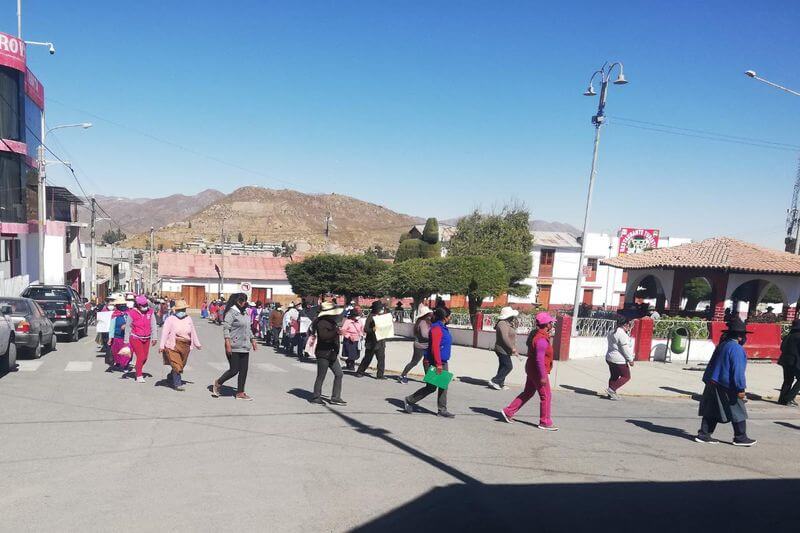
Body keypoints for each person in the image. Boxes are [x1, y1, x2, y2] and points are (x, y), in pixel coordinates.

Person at [695, 317, 757, 446]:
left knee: (712, 409)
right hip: (726, 384)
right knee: (738, 410)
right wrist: (741, 388)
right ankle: (740, 437)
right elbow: (738, 371)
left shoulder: (723, 345)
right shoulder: (736, 349)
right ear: (740, 336)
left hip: (713, 381)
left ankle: (704, 434)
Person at [500, 312, 558, 430]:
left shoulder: (539, 335)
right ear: (547, 325)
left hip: (532, 369)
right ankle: (545, 422)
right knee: (546, 395)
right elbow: (539, 360)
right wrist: (542, 376)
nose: (552, 324)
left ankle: (508, 411)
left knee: (528, 392)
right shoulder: (541, 340)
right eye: (551, 322)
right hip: (537, 371)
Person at [403, 307, 455, 418]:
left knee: (443, 385)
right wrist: (438, 364)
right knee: (431, 387)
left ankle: (442, 409)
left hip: (442, 361)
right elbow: (435, 348)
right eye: (449, 316)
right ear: (445, 317)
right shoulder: (436, 329)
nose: (450, 318)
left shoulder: (443, 328)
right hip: (434, 361)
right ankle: (409, 399)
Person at [212, 293, 258, 401]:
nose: (243, 302)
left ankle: (240, 392)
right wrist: (227, 343)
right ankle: (218, 382)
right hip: (234, 345)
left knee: (244, 370)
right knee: (234, 370)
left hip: (245, 346)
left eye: (245, 300)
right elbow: (226, 328)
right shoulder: (231, 313)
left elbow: (248, 328)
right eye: (241, 300)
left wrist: (253, 340)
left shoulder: (245, 312)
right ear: (236, 301)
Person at [309, 302, 347, 405]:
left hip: (332, 353)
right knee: (321, 376)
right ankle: (316, 397)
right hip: (323, 352)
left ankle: (335, 397)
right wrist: (336, 332)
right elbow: (324, 336)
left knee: (339, 374)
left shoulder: (331, 322)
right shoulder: (321, 322)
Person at [159, 299, 202, 391]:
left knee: (181, 365)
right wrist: (162, 346)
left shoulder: (188, 318)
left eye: (183, 310)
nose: (182, 312)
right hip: (173, 344)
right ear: (176, 310)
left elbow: (193, 331)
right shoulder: (170, 319)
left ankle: (170, 377)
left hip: (185, 345)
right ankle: (177, 384)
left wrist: (197, 343)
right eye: (180, 310)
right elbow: (165, 333)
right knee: (177, 364)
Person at [124, 295, 158, 383]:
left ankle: (138, 367)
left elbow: (153, 325)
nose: (145, 307)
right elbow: (128, 327)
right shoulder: (132, 313)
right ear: (138, 305)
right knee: (141, 356)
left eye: (146, 304)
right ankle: (139, 375)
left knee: (145, 358)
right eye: (142, 305)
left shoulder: (150, 312)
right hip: (135, 337)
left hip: (147, 337)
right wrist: (126, 340)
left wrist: (154, 337)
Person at [398, 305, 433, 384]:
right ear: (425, 315)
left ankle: (429, 379)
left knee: (427, 362)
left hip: (426, 346)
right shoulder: (423, 322)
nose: (430, 315)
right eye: (429, 314)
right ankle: (402, 375)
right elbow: (424, 335)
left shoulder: (427, 322)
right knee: (414, 362)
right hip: (420, 346)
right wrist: (433, 335)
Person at [356, 301, 389, 379]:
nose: (381, 309)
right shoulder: (371, 317)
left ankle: (380, 375)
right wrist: (372, 329)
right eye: (379, 308)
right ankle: (360, 371)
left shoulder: (382, 316)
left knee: (381, 359)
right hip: (371, 342)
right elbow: (366, 329)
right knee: (368, 358)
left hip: (380, 341)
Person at [605, 315, 635, 400]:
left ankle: (611, 393)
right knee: (626, 376)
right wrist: (630, 360)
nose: (629, 327)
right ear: (625, 324)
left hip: (610, 357)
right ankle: (611, 390)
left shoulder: (612, 331)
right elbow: (625, 348)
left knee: (614, 376)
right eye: (629, 325)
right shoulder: (621, 334)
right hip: (619, 359)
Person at [490, 306, 519, 390]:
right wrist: (512, 347)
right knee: (508, 366)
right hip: (502, 349)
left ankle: (500, 383)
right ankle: (495, 381)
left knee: (503, 366)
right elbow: (504, 337)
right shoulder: (502, 324)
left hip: (506, 350)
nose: (513, 317)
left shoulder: (507, 323)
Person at [778, 318, 800, 406]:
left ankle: (782, 399)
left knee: (787, 380)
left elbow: (781, 348)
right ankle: (789, 398)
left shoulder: (788, 336)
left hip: (785, 361)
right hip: (795, 361)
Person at [108, 295, 132, 371]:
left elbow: (134, 323)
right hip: (117, 336)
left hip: (128, 336)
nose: (122, 306)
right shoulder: (115, 314)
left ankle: (126, 365)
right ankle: (118, 363)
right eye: (120, 305)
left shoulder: (130, 313)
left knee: (127, 351)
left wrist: (127, 325)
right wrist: (110, 338)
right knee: (117, 351)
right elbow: (111, 327)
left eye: (123, 304)